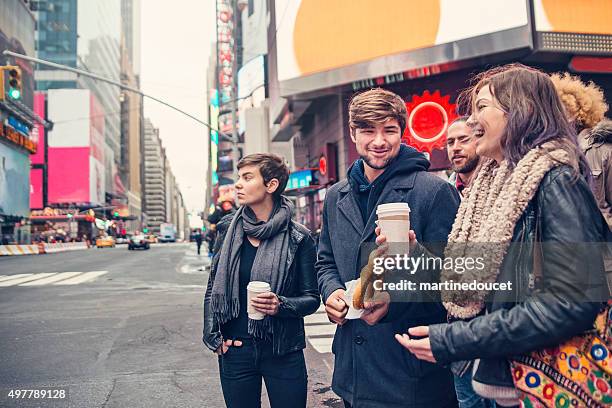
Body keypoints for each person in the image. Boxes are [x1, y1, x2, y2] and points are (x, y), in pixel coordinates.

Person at [381, 64, 608, 407]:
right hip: (502, 375)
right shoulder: (496, 183)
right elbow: (486, 277)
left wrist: (458, 339)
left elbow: (571, 301)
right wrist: (416, 256)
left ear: (521, 110)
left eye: (482, 108)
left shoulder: (556, 180)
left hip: (547, 382)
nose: (472, 122)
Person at [317, 88, 460, 407]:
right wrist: (331, 293)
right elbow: (325, 262)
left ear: (402, 132)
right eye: (368, 130)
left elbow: (457, 283)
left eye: (389, 130)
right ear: (353, 133)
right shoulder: (335, 196)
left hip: (411, 374)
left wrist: (394, 302)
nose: (379, 141)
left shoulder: (434, 192)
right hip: (352, 370)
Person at [203, 153, 319, 408]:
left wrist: (281, 305)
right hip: (235, 350)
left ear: (271, 185)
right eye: (238, 177)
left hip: (283, 351)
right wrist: (213, 337)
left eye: (247, 177)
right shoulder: (227, 229)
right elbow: (213, 286)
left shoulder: (300, 237)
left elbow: (311, 298)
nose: (238, 184)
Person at [446, 116, 481, 197]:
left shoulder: (502, 185)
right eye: (450, 142)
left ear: (481, 141)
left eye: (464, 140)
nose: (455, 148)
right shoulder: (443, 194)